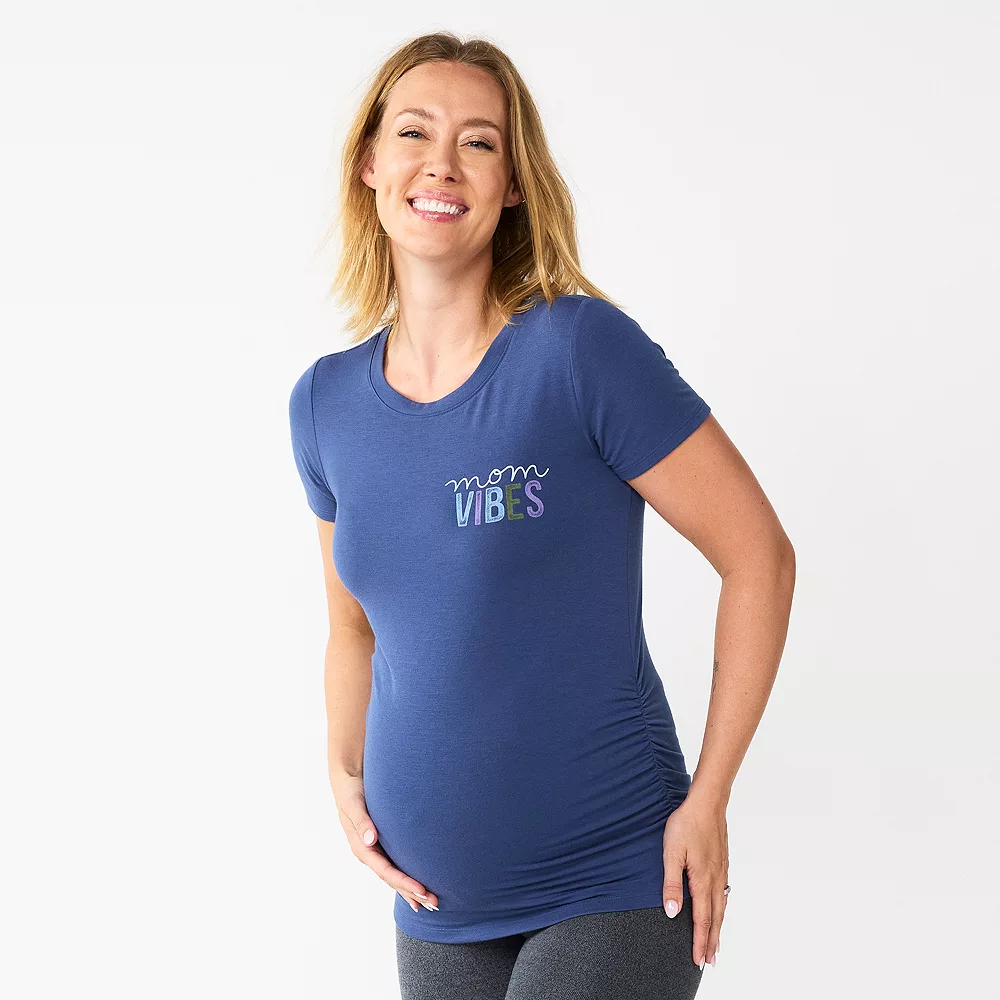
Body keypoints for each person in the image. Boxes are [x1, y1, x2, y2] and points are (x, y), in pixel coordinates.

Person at [289, 31, 795, 1000]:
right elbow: (352, 626)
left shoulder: (577, 351)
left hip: (615, 877)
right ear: (369, 163)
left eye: (479, 142)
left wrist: (710, 797)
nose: (442, 162)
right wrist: (343, 771)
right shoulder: (325, 404)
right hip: (435, 901)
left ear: (513, 185)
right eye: (414, 132)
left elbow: (759, 557)